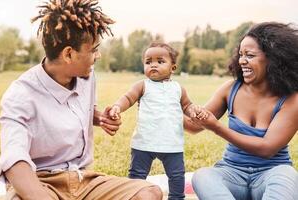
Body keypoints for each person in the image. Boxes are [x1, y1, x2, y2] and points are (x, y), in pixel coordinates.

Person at [0, 0, 163, 199]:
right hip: (40, 183)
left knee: (148, 192)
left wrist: (99, 118)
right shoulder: (20, 95)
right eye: (93, 49)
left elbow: (76, 109)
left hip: (84, 180)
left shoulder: (87, 76)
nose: (98, 55)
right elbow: (15, 161)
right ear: (69, 54)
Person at [191, 22, 298, 200]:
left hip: (272, 173)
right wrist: (177, 103)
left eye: (249, 55)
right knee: (203, 176)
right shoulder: (230, 89)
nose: (242, 61)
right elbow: (193, 126)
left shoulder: (292, 99)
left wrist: (217, 127)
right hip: (231, 173)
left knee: (288, 178)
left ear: (274, 58)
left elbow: (267, 149)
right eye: (240, 54)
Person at [109, 42, 208, 200]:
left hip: (172, 143)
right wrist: (117, 107)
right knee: (137, 176)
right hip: (144, 142)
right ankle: (133, 196)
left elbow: (187, 105)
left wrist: (193, 111)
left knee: (176, 176)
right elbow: (128, 98)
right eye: (148, 62)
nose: (153, 65)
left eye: (160, 61)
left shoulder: (178, 89)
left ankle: (176, 198)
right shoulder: (142, 86)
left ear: (172, 68)